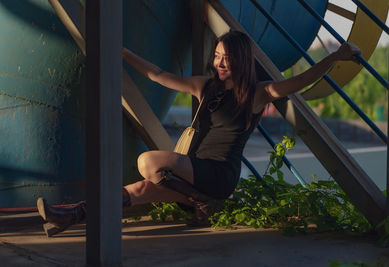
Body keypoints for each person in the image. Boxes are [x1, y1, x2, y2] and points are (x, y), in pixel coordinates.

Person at [37, 30, 361, 235]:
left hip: (219, 174)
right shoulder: (204, 87)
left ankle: (201, 198)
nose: (219, 62)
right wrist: (124, 55)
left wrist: (334, 57)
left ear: (241, 60)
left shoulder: (258, 93)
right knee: (138, 189)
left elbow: (301, 81)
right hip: (189, 174)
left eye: (227, 57)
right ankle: (71, 216)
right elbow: (158, 75)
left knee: (147, 161)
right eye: (217, 56)